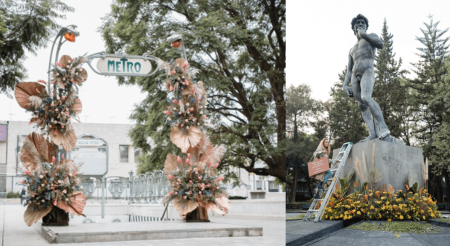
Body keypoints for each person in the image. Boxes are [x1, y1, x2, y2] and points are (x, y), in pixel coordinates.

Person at [343, 14, 391, 142]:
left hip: (367, 71)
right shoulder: (351, 49)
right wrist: (345, 85)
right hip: (354, 75)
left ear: (366, 26)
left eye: (362, 22)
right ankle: (373, 133)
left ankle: (384, 127)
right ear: (354, 28)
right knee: (361, 105)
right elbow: (348, 70)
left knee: (366, 97)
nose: (360, 24)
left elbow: (381, 44)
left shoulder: (371, 37)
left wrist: (364, 35)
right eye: (357, 23)